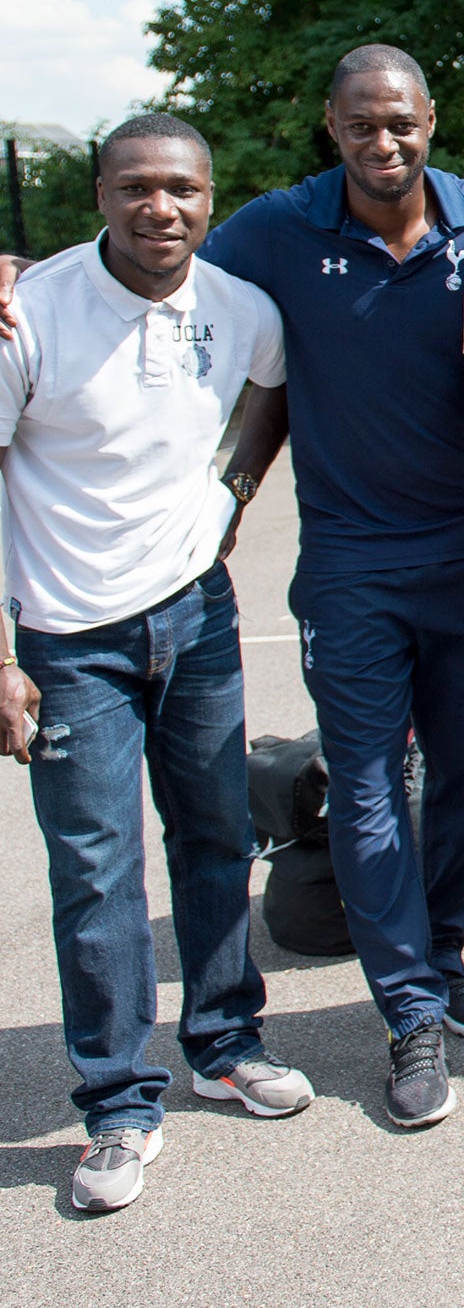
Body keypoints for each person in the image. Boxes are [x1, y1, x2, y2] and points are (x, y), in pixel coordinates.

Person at [0, 45, 464, 1127]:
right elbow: (147, 257)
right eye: (361, 127)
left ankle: (448, 952)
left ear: (431, 120)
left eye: (401, 124)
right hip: (349, 563)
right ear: (332, 129)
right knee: (369, 785)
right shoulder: (274, 230)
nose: (384, 144)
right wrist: (20, 282)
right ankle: (408, 1006)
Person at [0, 115, 314, 1212]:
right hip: (66, 633)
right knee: (96, 870)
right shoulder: (27, 311)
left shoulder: (240, 309)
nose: (160, 208)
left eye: (181, 189)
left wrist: (231, 492)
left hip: (196, 613)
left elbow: (269, 390)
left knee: (217, 835)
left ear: (209, 196)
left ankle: (224, 1044)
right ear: (99, 194)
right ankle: (118, 1104)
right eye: (136, 188)